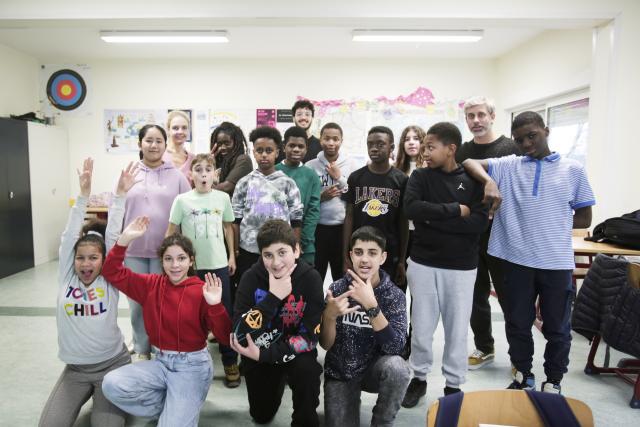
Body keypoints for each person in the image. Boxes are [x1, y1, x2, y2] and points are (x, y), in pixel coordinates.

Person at [462, 111, 595, 394]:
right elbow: (469, 161)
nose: (526, 144)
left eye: (532, 136)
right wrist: (489, 180)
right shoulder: (509, 165)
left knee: (557, 328)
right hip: (515, 261)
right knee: (518, 323)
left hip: (555, 262)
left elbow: (584, 218)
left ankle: (554, 380)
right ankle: (524, 374)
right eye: (519, 139)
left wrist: (549, 220)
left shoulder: (573, 169)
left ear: (546, 130)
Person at [101, 217, 232, 426]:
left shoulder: (202, 291)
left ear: (191, 261)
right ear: (161, 262)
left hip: (192, 367)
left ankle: (181, 405)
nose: (175, 265)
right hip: (161, 362)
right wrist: (124, 240)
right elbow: (111, 272)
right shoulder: (151, 285)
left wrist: (215, 305)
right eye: (168, 259)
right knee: (111, 384)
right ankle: (172, 406)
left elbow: (226, 336)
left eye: (181, 258)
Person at [39, 159, 137, 427]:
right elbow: (69, 236)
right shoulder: (66, 277)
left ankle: (104, 399)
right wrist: (82, 195)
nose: (86, 264)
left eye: (93, 257)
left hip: (112, 367)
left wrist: (120, 196)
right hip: (76, 371)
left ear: (103, 260)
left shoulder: (109, 278)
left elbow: (114, 237)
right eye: (80, 258)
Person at [401, 122, 489, 408]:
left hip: (462, 267)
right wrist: (454, 211)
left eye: (430, 146)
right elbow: (412, 209)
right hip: (424, 263)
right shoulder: (420, 176)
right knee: (422, 325)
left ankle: (453, 385)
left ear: (451, 149)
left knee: (456, 328)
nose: (424, 152)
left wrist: (434, 220)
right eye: (424, 146)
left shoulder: (473, 180)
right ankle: (418, 378)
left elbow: (477, 223)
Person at [230, 220, 324, 426]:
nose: (276, 262)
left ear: (297, 250)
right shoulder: (250, 278)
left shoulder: (311, 279)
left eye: (282, 252)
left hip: (289, 354)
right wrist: (273, 297)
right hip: (259, 356)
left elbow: (309, 338)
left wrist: (269, 354)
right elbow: (238, 335)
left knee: (307, 370)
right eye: (268, 255)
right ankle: (277, 380)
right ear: (261, 255)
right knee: (261, 415)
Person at [321, 226, 410, 427]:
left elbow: (396, 349)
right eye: (359, 252)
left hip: (375, 369)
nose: (364, 259)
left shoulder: (394, 296)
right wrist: (329, 316)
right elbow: (326, 345)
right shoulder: (337, 289)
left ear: (383, 257)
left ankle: (382, 423)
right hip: (341, 372)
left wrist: (371, 306)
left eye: (372, 253)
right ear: (351, 255)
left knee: (399, 369)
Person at [456, 96, 521, 370]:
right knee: (476, 295)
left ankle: (520, 355)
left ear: (492, 116)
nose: (476, 121)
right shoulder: (461, 151)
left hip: (505, 234)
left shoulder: (512, 147)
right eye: (470, 116)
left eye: (481, 115)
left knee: (511, 297)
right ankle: (485, 346)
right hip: (472, 236)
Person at [166, 153, 240, 388]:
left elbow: (228, 227)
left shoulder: (222, 198)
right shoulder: (182, 200)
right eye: (198, 169)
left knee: (223, 314)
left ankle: (229, 360)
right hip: (192, 269)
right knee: (190, 315)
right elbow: (171, 232)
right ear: (191, 174)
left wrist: (231, 255)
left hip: (218, 266)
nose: (203, 173)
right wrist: (170, 263)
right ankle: (188, 362)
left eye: (208, 169)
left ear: (215, 174)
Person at [123, 124, 191, 360]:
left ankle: (161, 347)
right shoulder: (130, 172)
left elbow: (188, 212)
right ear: (140, 144)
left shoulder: (178, 176)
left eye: (158, 141)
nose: (153, 145)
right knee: (137, 304)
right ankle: (142, 348)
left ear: (165, 144)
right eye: (148, 140)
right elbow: (118, 208)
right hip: (134, 250)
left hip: (167, 253)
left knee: (163, 303)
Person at [231, 126, 304, 285]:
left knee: (279, 288)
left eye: (269, 150)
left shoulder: (287, 183)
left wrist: (294, 247)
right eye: (259, 150)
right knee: (251, 290)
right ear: (253, 152)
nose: (264, 154)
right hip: (249, 250)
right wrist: (236, 250)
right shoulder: (245, 183)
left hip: (280, 251)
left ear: (277, 152)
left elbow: (297, 219)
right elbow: (235, 220)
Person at [342, 126, 409, 287]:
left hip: (389, 252)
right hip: (360, 252)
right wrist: (345, 255)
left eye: (380, 144)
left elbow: (403, 221)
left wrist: (401, 259)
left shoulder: (401, 180)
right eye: (370, 144)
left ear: (391, 147)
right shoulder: (356, 178)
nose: (374, 148)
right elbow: (349, 216)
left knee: (386, 300)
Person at [306, 122, 356, 282]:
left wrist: (339, 178)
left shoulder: (351, 164)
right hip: (317, 229)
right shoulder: (310, 166)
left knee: (341, 276)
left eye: (335, 139)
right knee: (316, 274)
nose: (331, 143)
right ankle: (317, 307)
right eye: (327, 138)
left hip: (342, 229)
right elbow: (304, 201)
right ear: (320, 140)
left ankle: (340, 307)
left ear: (341, 140)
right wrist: (321, 197)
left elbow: (354, 195)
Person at [276, 126, 321, 265]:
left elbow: (313, 210)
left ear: (306, 149)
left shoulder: (311, 175)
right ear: (284, 147)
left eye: (301, 146)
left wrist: (302, 241)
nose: (296, 149)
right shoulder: (273, 171)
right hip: (275, 242)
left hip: (303, 246)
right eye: (292, 145)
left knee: (304, 284)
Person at [210, 121, 253, 196]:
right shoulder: (218, 161)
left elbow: (226, 187)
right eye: (219, 144)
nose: (223, 147)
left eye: (227, 143)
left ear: (236, 143)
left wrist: (203, 187)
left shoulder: (243, 159)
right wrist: (209, 164)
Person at [163, 110, 195, 180]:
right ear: (168, 130)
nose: (180, 132)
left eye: (184, 128)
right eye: (175, 128)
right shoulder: (160, 156)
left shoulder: (193, 159)